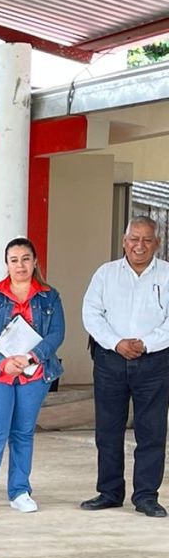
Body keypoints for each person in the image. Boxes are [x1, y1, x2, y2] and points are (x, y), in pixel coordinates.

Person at [0, 238, 65, 517]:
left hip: (34, 373)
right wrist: (3, 361)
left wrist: (31, 357)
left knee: (22, 434)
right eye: (14, 259)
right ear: (7, 263)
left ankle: (20, 491)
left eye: (25, 258)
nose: (20, 265)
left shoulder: (49, 296)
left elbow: (57, 333)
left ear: (35, 262)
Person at [81, 217, 169, 518]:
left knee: (152, 432)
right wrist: (117, 342)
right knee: (108, 431)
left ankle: (146, 496)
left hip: (155, 362)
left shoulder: (168, 275)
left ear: (157, 243)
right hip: (110, 361)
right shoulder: (105, 274)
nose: (139, 245)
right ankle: (109, 492)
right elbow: (91, 314)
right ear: (123, 240)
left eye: (146, 240)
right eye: (134, 239)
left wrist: (145, 343)